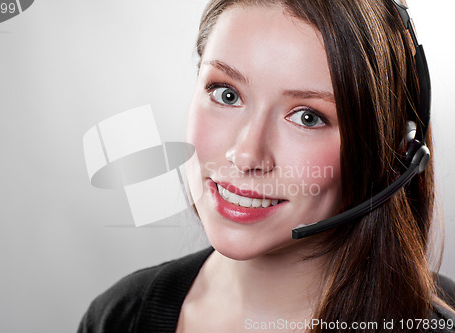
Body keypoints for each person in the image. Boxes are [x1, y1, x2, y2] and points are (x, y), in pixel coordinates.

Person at [78, 0, 455, 332]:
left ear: (392, 150)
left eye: (308, 117)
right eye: (226, 94)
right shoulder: (117, 317)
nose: (246, 155)